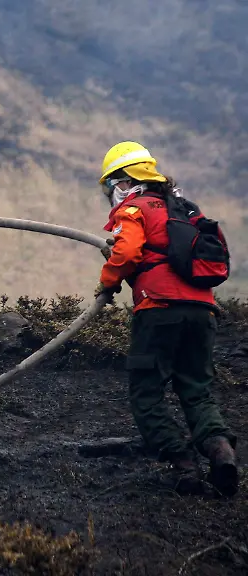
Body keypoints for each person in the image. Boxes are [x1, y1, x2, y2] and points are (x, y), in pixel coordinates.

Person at [94, 141, 238, 496]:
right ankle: (221, 452)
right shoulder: (185, 209)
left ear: (124, 181)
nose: (112, 193)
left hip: (158, 311)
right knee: (197, 390)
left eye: (112, 184)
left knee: (146, 392)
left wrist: (108, 282)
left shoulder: (134, 208)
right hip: (202, 312)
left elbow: (127, 252)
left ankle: (183, 464)